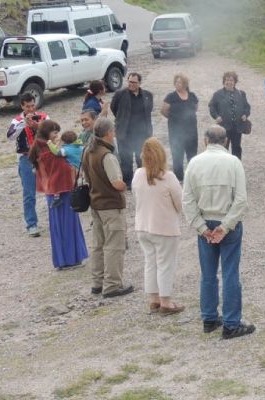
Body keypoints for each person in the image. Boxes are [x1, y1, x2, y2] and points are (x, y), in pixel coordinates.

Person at [183, 126, 254, 338]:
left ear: (205, 140)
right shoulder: (233, 162)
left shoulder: (194, 163)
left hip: (206, 222)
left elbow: (187, 200)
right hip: (227, 223)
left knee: (208, 274)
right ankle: (231, 323)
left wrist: (202, 228)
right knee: (230, 273)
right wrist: (225, 226)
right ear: (225, 141)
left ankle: (209, 318)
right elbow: (241, 200)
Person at [132, 138, 185, 315]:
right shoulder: (168, 177)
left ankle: (153, 299)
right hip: (164, 227)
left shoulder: (138, 174)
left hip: (142, 226)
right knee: (165, 264)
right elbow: (180, 203)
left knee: (150, 262)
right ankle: (166, 302)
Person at [82, 118, 134, 298]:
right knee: (114, 246)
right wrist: (126, 185)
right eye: (113, 131)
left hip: (96, 203)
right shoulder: (107, 156)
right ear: (108, 134)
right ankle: (112, 285)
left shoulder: (88, 151)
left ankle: (97, 283)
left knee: (98, 245)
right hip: (111, 205)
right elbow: (117, 183)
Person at [29, 120, 88, 270]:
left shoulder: (42, 148)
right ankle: (69, 259)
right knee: (66, 227)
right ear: (47, 133)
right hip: (60, 193)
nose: (57, 135)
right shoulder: (48, 152)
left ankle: (67, 259)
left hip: (55, 192)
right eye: (55, 132)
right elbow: (63, 170)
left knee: (61, 227)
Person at [6, 92, 49, 237]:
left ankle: (55, 219)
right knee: (29, 193)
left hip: (44, 158)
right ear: (22, 106)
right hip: (26, 159)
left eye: (32, 105)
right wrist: (24, 123)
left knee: (51, 188)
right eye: (27, 106)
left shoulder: (43, 117)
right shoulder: (17, 120)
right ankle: (32, 224)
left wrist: (37, 126)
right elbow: (10, 136)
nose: (31, 109)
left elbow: (52, 132)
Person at [110, 72, 154, 188]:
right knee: (126, 159)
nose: (131, 84)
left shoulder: (148, 95)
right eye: (129, 81)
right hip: (125, 133)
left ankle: (143, 180)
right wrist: (122, 120)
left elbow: (149, 110)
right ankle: (128, 182)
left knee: (142, 158)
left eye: (134, 82)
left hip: (142, 134)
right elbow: (113, 108)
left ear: (139, 83)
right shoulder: (120, 95)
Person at [160, 73, 199, 182]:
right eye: (176, 82)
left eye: (180, 82)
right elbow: (163, 111)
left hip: (191, 131)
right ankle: (179, 178)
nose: (178, 84)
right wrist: (174, 119)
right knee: (177, 155)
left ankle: (192, 177)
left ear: (185, 84)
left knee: (192, 154)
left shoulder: (192, 96)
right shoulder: (170, 97)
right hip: (176, 132)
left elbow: (195, 108)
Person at [209, 71, 251, 160]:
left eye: (231, 80)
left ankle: (236, 166)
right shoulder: (218, 94)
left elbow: (247, 107)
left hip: (237, 127)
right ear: (224, 81)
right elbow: (211, 106)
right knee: (223, 149)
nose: (229, 82)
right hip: (223, 127)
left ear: (235, 82)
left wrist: (245, 115)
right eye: (227, 80)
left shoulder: (241, 93)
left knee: (237, 148)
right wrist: (216, 116)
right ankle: (223, 167)